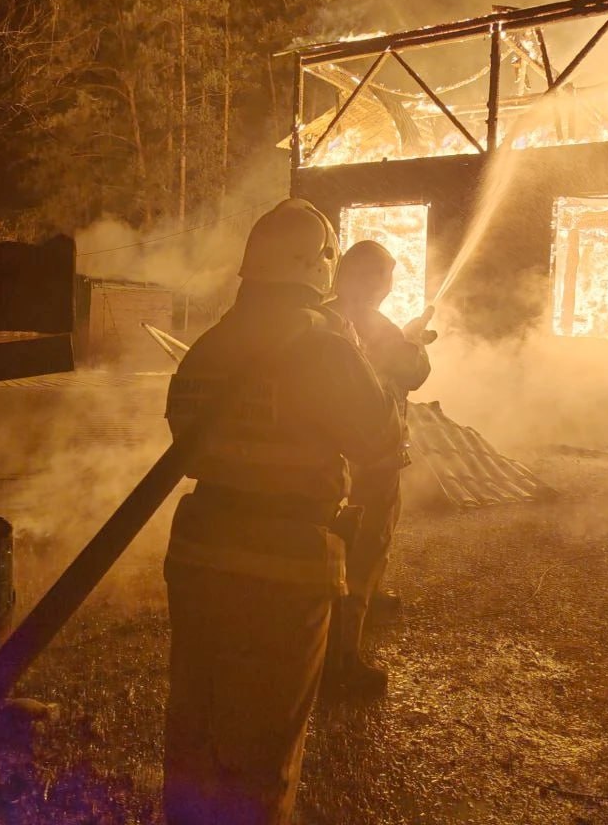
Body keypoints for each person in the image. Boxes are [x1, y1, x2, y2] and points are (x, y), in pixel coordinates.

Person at [162, 200, 401, 825]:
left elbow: (183, 437)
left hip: (197, 551)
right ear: (315, 264)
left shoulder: (209, 345)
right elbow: (381, 444)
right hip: (284, 565)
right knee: (264, 743)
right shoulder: (324, 345)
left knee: (197, 724)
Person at [325, 240, 436, 695]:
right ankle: (343, 658)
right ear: (371, 280)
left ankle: (362, 604)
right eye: (386, 277)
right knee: (370, 541)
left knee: (341, 537)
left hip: (335, 451)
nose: (389, 287)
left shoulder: (324, 315)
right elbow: (414, 373)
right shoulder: (379, 326)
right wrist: (411, 339)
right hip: (374, 453)